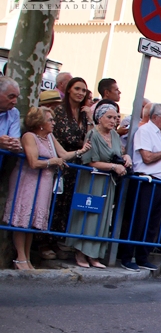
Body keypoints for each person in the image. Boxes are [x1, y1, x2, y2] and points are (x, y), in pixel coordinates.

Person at [4, 107, 89, 269]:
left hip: (43, 182)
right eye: (50, 120)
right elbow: (33, 162)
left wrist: (81, 151)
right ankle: (20, 258)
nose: (53, 123)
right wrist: (53, 162)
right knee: (22, 219)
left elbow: (63, 154)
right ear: (40, 123)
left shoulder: (49, 137)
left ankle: (27, 257)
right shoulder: (29, 136)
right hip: (28, 181)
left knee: (32, 221)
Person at [119, 104, 161, 272]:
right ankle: (126, 256)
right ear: (155, 117)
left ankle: (143, 256)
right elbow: (147, 158)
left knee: (153, 223)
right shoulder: (145, 131)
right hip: (146, 182)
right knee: (138, 220)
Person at [64, 102, 129, 268]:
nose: (113, 121)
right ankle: (80, 252)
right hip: (92, 180)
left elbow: (119, 153)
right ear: (99, 118)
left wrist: (126, 157)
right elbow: (90, 162)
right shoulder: (92, 135)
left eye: (116, 118)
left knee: (102, 217)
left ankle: (94, 255)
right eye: (109, 117)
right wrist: (114, 166)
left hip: (108, 183)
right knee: (88, 215)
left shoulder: (114, 135)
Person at [50, 76, 92, 235]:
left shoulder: (83, 114)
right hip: (60, 162)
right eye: (77, 89)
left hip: (77, 165)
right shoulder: (59, 110)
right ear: (68, 89)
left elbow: (90, 138)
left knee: (68, 203)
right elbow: (64, 136)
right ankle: (44, 242)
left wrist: (88, 117)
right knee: (55, 201)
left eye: (83, 90)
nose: (80, 93)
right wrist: (80, 145)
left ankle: (59, 239)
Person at [0, 77, 22, 154]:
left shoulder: (14, 113)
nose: (15, 102)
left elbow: (15, 139)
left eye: (17, 97)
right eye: (11, 97)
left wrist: (14, 145)